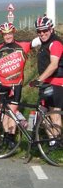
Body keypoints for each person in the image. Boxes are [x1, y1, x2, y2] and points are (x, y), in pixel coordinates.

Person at [0, 22, 40, 147]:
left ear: (13, 33)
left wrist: (46, 34)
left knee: (13, 112)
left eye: (9, 33)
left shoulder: (21, 45)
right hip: (2, 84)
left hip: (16, 85)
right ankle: (8, 139)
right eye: (5, 34)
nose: (7, 36)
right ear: (2, 35)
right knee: (4, 113)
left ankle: (10, 137)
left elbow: (35, 42)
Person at [29, 16, 63, 146]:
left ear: (51, 29)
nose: (42, 34)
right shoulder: (45, 42)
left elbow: (54, 65)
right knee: (43, 113)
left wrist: (38, 80)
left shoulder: (55, 43)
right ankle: (52, 140)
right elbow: (29, 44)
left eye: (45, 30)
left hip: (56, 82)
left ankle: (57, 142)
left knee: (54, 113)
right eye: (39, 31)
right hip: (47, 83)